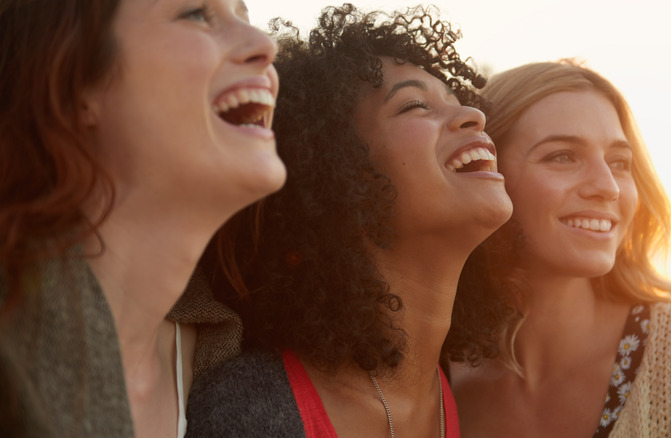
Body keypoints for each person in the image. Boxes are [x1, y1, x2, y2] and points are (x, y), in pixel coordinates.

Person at [185, 4, 513, 437]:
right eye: (415, 105)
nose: (475, 117)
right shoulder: (253, 411)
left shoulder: (461, 397)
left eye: (455, 101)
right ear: (338, 173)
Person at [449, 59, 671, 437]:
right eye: (562, 156)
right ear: (487, 173)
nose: (607, 186)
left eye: (619, 162)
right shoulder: (426, 374)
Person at [0, 0, 284, 436]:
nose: (266, 45)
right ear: (77, 83)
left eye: (245, 16)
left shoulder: (229, 366)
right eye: (195, 13)